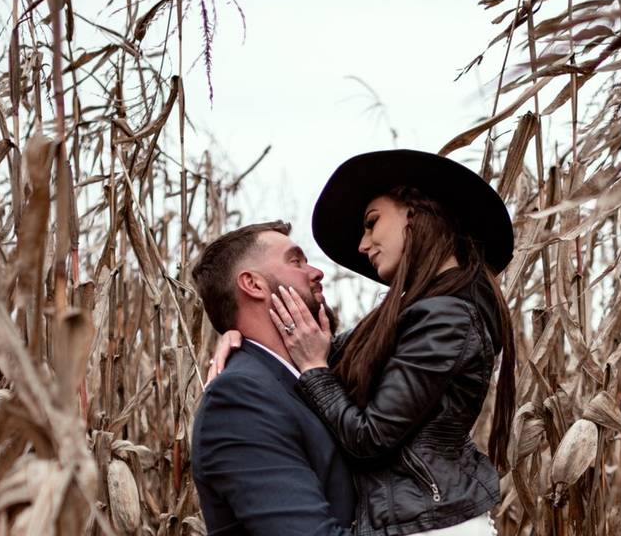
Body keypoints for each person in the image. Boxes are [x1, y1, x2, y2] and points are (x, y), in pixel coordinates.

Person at [211, 149, 516, 536]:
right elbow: (328, 348)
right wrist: (239, 335)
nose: (362, 244)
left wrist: (315, 371)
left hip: (432, 527)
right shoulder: (420, 316)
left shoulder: (447, 317)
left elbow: (370, 436)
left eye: (372, 223)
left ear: (417, 213)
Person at [190, 221, 356, 535]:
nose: (315, 272)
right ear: (253, 284)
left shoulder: (316, 375)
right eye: (296, 261)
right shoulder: (240, 400)